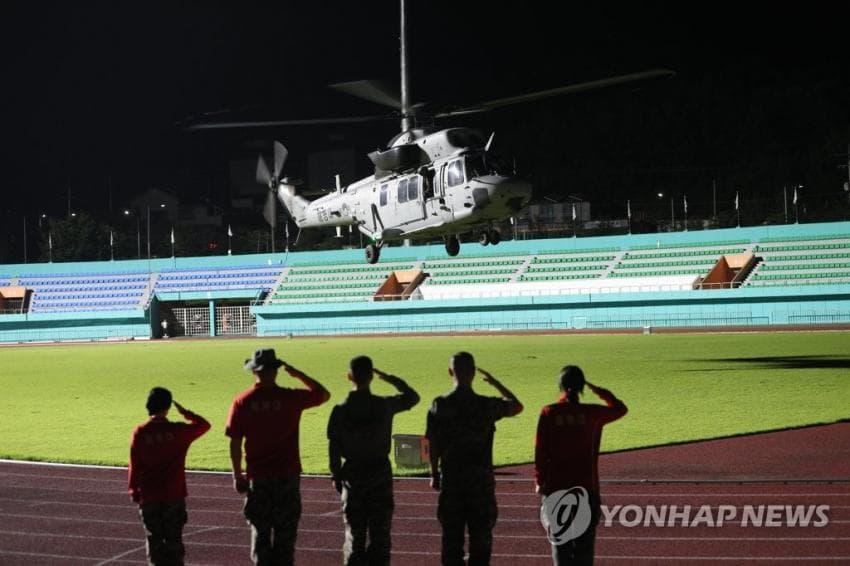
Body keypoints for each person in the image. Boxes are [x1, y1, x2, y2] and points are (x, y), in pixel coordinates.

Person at [226, 348, 331, 566]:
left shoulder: (242, 402)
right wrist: (298, 374)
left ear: (254, 371)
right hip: (287, 477)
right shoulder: (291, 398)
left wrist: (237, 475)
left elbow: (235, 443)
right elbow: (323, 394)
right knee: (285, 540)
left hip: (258, 478)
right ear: (276, 371)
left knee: (260, 538)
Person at [426, 352, 523, 566]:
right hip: (480, 484)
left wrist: (434, 473)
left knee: (451, 545)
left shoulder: (439, 405)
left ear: (451, 372)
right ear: (473, 372)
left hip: (452, 483)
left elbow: (432, 443)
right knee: (481, 545)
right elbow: (516, 405)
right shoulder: (485, 405)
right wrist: (496, 383)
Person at [327, 355, 420, 566]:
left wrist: (336, 476)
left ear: (349, 376)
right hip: (379, 474)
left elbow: (333, 447)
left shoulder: (340, 411)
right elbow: (412, 397)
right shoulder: (383, 405)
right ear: (371, 376)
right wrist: (389, 378)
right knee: (380, 536)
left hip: (353, 474)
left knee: (354, 536)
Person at [534, 366, 627, 566]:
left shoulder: (549, 412)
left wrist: (540, 481)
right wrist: (597, 390)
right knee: (584, 551)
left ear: (561, 386)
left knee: (561, 547)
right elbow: (620, 408)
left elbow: (541, 451)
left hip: (556, 490)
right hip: (587, 490)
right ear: (581, 386)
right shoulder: (592, 413)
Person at [128, 387, 211, 566]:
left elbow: (134, 464)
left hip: (149, 495)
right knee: (174, 541)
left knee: (154, 541)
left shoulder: (140, 432)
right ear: (167, 407)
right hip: (173, 494)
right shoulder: (178, 431)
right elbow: (205, 425)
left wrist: (133, 490)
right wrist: (186, 413)